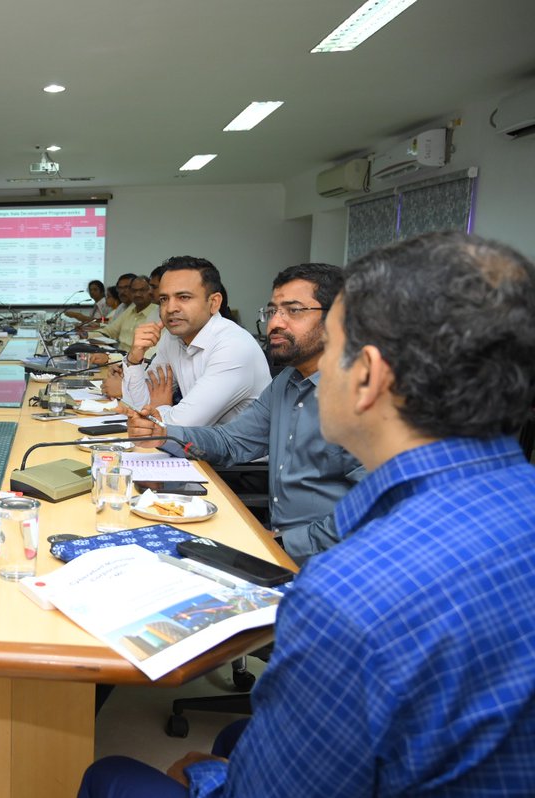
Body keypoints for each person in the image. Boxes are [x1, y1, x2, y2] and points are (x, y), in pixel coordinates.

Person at [79, 231, 535, 797]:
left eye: (334, 349)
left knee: (110, 774)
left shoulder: (345, 595)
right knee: (237, 737)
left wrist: (204, 774)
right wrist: (167, 433)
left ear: (367, 375)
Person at [126, 263, 363, 562]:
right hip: (280, 543)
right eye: (272, 311)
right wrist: (164, 435)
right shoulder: (287, 383)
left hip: (333, 559)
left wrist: (282, 545)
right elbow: (232, 442)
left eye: (293, 311)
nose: (275, 323)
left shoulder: (364, 396)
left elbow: (378, 509)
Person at [122, 257, 270, 426]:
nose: (170, 308)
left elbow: (182, 425)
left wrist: (160, 407)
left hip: (235, 444)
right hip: (193, 441)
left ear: (214, 303)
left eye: (184, 297)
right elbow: (134, 408)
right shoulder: (172, 337)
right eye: (164, 299)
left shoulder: (234, 346)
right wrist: (134, 360)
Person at [91, 274, 158, 361]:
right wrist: (85, 335)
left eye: (142, 290)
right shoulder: (130, 310)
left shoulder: (156, 314)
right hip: (117, 357)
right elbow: (110, 331)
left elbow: (147, 355)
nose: (137, 294)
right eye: (134, 290)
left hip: (132, 362)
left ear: (150, 291)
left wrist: (109, 358)